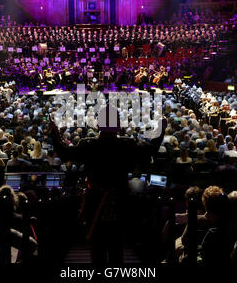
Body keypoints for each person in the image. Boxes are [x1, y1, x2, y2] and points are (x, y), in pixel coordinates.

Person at [50, 105, 167, 263]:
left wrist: (55, 132)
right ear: (118, 126)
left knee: (96, 248)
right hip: (120, 201)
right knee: (117, 249)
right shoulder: (127, 144)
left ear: (98, 125)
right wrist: (160, 128)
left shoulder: (87, 144)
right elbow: (151, 148)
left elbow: (64, 152)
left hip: (94, 201)